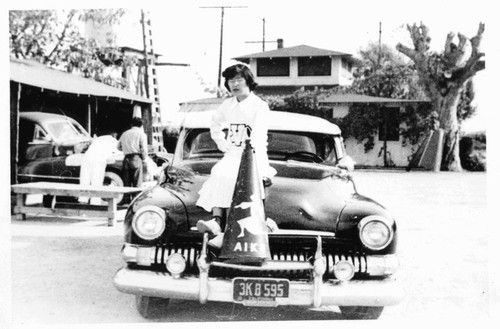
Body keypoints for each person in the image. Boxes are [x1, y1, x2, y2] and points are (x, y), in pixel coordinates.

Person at [196, 63, 277, 247]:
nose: (235, 84)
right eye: (231, 80)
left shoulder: (259, 106)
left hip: (254, 155)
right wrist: (222, 143)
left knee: (240, 180)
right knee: (218, 172)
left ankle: (229, 232)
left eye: (239, 79)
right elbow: (215, 123)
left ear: (248, 81)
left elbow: (258, 136)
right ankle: (216, 222)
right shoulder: (227, 105)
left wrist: (250, 159)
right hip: (233, 154)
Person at [78, 131, 119, 205]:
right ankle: (95, 202)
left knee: (85, 179)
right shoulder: (113, 141)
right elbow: (118, 151)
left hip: (87, 157)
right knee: (96, 181)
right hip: (98, 159)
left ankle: (82, 200)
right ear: (114, 135)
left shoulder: (98, 139)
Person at [117, 117, 148, 190]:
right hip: (136, 159)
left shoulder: (125, 133)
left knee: (126, 183)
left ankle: (126, 200)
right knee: (137, 184)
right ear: (141, 125)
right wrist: (143, 158)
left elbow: (118, 147)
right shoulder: (141, 134)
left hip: (126, 159)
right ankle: (135, 200)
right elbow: (143, 149)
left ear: (131, 124)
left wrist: (126, 149)